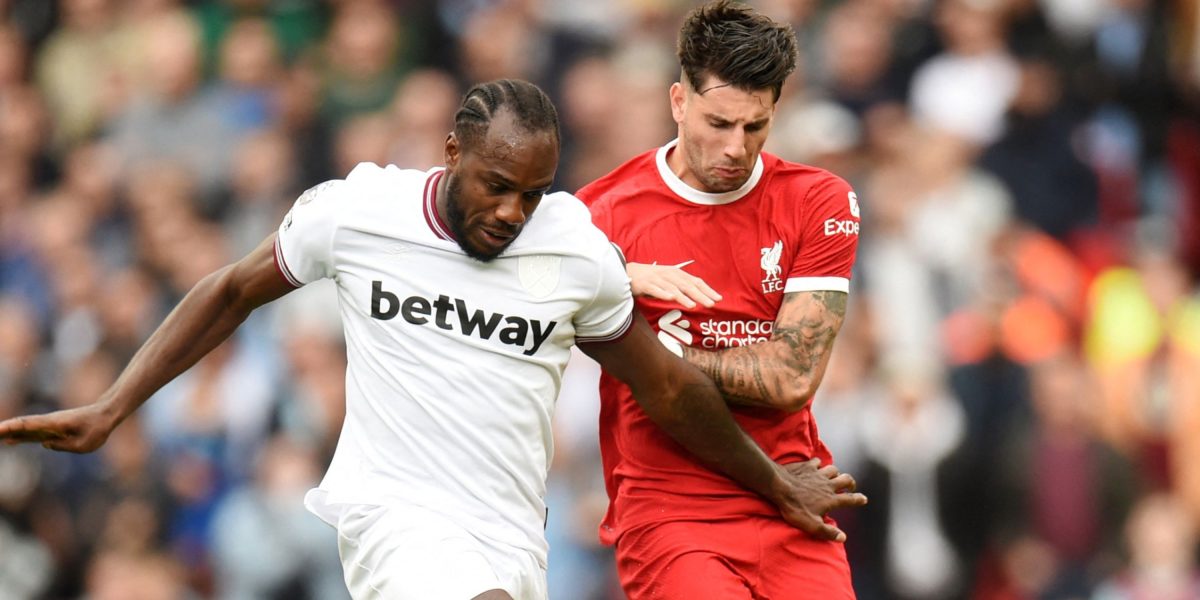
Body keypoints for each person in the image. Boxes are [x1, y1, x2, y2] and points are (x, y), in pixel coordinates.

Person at [0, 79, 857, 600]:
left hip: (512, 533)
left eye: (533, 192)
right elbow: (229, 291)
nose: (512, 212)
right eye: (496, 185)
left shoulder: (571, 250)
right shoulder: (359, 214)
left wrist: (774, 481)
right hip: (396, 517)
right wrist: (113, 406)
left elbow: (665, 387)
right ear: (452, 151)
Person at [576, 2, 866, 598]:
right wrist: (616, 274)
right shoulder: (598, 218)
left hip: (793, 495)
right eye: (718, 122)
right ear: (678, 102)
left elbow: (790, 377)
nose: (736, 147)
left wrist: (655, 360)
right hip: (669, 510)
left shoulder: (818, 201)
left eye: (754, 127)